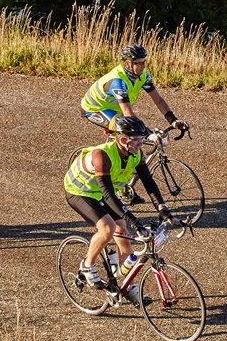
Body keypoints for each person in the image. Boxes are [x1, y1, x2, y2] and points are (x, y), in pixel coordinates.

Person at [64, 115, 179, 304]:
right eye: (137, 140)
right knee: (108, 228)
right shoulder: (102, 156)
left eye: (142, 139)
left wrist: (163, 209)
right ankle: (87, 265)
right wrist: (135, 221)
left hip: (100, 192)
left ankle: (126, 285)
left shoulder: (136, 154)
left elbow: (149, 183)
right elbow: (109, 196)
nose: (141, 144)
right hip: (80, 191)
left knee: (123, 234)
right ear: (123, 139)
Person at [80, 44, 189, 135]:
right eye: (139, 63)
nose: (143, 66)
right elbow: (128, 112)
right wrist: (148, 134)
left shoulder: (143, 76)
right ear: (128, 64)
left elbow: (158, 100)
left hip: (116, 110)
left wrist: (173, 120)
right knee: (131, 130)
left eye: (144, 62)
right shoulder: (117, 81)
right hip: (95, 109)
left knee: (133, 140)